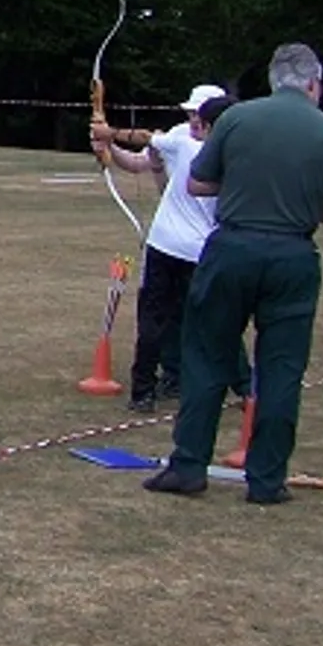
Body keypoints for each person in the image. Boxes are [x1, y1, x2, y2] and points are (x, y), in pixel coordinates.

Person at [142, 43, 323, 505]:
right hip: (293, 254)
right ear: (314, 83)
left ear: (273, 79)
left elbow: (198, 182)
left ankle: (188, 464)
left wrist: (244, 183)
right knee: (281, 369)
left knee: (206, 355)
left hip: (233, 247)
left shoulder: (237, 118)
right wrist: (306, 200)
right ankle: (266, 479)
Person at [91, 85, 233, 411]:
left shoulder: (192, 145)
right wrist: (108, 147)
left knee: (178, 319)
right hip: (172, 243)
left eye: (200, 115)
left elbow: (147, 140)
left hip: (189, 247)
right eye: (191, 113)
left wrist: (108, 134)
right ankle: (149, 388)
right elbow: (143, 161)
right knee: (165, 320)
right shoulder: (196, 140)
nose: (193, 120)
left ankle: (171, 380)